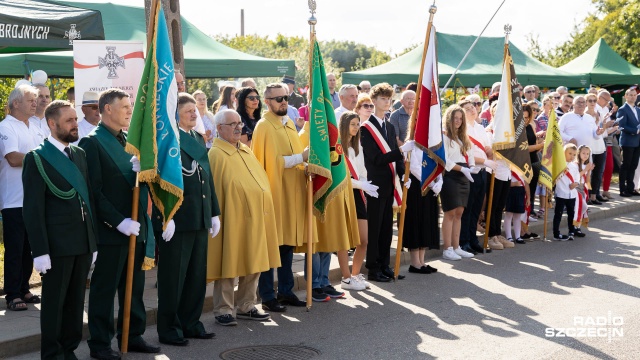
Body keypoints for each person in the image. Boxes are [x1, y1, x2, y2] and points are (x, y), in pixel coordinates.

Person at [80, 89, 160, 359]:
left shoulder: (128, 140)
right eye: (124, 106)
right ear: (107, 110)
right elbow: (94, 191)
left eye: (129, 106)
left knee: (134, 286)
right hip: (111, 230)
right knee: (104, 290)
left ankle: (132, 334)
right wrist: (117, 221)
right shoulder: (92, 143)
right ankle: (100, 343)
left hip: (136, 226)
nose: (129, 111)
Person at [23, 100, 97, 359]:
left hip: (82, 243)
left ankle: (69, 349)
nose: (75, 125)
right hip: (57, 246)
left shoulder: (79, 155)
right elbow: (33, 209)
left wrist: (93, 241)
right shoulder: (37, 158)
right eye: (69, 121)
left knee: (76, 303)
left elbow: (86, 199)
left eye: (76, 119)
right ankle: (53, 354)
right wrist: (39, 250)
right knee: (55, 304)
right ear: (52, 124)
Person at [154, 93, 220, 346]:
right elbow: (160, 182)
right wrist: (165, 216)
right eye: (188, 110)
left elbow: (207, 177)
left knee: (196, 276)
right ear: (176, 114)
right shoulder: (168, 139)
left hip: (199, 216)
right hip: (178, 219)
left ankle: (191, 323)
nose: (195, 113)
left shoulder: (195, 138)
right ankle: (169, 328)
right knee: (173, 278)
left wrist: (213, 211)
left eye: (195, 109)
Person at [208, 109, 281, 326]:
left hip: (257, 216)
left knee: (255, 260)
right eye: (232, 124)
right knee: (229, 261)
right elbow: (216, 191)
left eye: (239, 123)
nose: (239, 127)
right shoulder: (215, 155)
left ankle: (247, 305)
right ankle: (223, 308)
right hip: (232, 217)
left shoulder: (246, 150)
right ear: (219, 128)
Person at [252, 83, 314, 311]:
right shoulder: (263, 127)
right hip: (274, 194)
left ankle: (286, 290)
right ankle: (268, 296)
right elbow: (270, 163)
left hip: (292, 191)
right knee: (271, 245)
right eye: (278, 99)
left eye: (286, 97)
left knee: (287, 244)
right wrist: (300, 158)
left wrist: (305, 163)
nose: (284, 102)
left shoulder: (288, 125)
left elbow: (296, 156)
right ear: (267, 102)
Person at [299, 114, 365, 300]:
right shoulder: (306, 135)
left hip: (332, 194)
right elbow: (302, 159)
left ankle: (324, 282)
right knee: (316, 243)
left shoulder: (333, 139)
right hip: (316, 194)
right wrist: (307, 166)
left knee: (328, 241)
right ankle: (314, 285)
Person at [360, 82, 414, 281]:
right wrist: (401, 150)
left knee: (385, 229)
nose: (387, 102)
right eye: (383, 98)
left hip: (390, 182)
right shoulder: (366, 128)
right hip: (374, 184)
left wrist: (403, 176)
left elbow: (396, 158)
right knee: (374, 228)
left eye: (389, 99)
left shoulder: (389, 127)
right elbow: (376, 159)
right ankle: (373, 268)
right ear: (373, 101)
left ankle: (384, 264)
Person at [0, 85, 42, 312]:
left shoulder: (35, 126)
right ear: (16, 103)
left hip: (34, 198)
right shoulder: (6, 127)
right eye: (30, 99)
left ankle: (25, 287)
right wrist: (42, 160)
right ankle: (12, 293)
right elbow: (14, 159)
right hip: (13, 199)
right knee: (15, 248)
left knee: (30, 247)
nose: (35, 103)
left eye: (36, 99)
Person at [339, 111, 377, 288]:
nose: (356, 127)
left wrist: (364, 183)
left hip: (359, 193)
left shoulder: (357, 146)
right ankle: (346, 277)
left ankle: (355, 274)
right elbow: (340, 177)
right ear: (344, 125)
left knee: (363, 239)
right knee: (344, 239)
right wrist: (361, 185)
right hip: (344, 194)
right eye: (352, 124)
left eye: (357, 124)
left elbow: (362, 171)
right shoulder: (337, 147)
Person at [458, 100, 496, 254]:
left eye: (472, 107)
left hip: (482, 172)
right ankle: (463, 241)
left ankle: (473, 239)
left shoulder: (481, 128)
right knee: (467, 208)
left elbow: (486, 147)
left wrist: (491, 153)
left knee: (477, 208)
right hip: (470, 171)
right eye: (467, 109)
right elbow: (467, 154)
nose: (472, 110)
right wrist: (486, 161)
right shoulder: (462, 130)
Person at [440, 105, 475, 261]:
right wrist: (462, 169)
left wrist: (472, 167)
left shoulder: (463, 137)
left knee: (459, 212)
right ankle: (447, 248)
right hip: (451, 176)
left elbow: (471, 155)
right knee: (450, 212)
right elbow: (444, 160)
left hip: (464, 176)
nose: (458, 121)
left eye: (461, 118)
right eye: (455, 118)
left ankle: (456, 246)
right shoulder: (444, 136)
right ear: (449, 119)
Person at [402, 141, 442, 272]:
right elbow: (414, 167)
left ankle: (422, 261)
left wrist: (439, 182)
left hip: (430, 188)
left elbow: (439, 162)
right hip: (417, 187)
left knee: (426, 222)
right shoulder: (412, 144)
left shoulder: (433, 143)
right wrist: (430, 183)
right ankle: (415, 263)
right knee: (417, 221)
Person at [584, 93, 608, 204]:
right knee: (588, 172)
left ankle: (594, 196)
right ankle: (587, 197)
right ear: (586, 102)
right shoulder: (583, 115)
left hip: (600, 145)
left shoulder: (599, 113)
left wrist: (605, 127)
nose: (593, 103)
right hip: (589, 146)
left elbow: (601, 131)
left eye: (594, 100)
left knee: (598, 172)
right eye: (590, 101)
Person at [616, 88, 640, 197]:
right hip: (627, 142)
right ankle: (622, 189)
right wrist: (635, 131)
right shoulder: (622, 109)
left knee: (633, 165)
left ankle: (631, 188)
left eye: (634, 95)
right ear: (626, 96)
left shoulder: (638, 109)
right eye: (630, 95)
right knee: (626, 165)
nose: (633, 97)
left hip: (637, 142)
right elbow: (621, 126)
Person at [554, 144, 579, 241]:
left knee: (571, 213)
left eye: (574, 154)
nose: (572, 156)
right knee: (558, 214)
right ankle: (556, 233)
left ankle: (571, 231)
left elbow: (577, 177)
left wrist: (576, 183)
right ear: (563, 153)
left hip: (571, 194)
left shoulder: (574, 166)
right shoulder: (559, 165)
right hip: (561, 193)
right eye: (569, 153)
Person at [503, 170, 530, 245]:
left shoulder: (522, 166)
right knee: (509, 214)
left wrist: (528, 197)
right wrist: (514, 184)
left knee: (518, 215)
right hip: (511, 190)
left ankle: (518, 236)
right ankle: (509, 236)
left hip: (521, 190)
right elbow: (504, 182)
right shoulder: (509, 165)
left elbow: (526, 183)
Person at [574, 145, 593, 237]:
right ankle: (576, 226)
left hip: (582, 188)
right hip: (575, 188)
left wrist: (589, 171)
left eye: (587, 154)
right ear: (579, 153)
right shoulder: (576, 164)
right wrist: (586, 169)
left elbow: (587, 181)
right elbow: (577, 176)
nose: (586, 155)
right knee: (582, 207)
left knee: (581, 208)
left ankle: (577, 227)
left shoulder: (586, 165)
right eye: (583, 153)